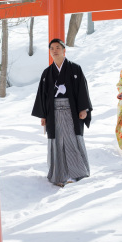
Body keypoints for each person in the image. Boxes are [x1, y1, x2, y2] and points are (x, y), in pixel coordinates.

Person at [31, 38, 92, 187]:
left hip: (71, 111)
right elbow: (42, 95)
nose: (55, 50)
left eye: (58, 47)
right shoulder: (47, 73)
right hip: (53, 113)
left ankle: (75, 174)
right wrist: (43, 115)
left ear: (64, 50)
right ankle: (59, 175)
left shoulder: (75, 69)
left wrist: (83, 109)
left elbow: (82, 89)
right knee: (57, 142)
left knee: (71, 140)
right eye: (52, 48)